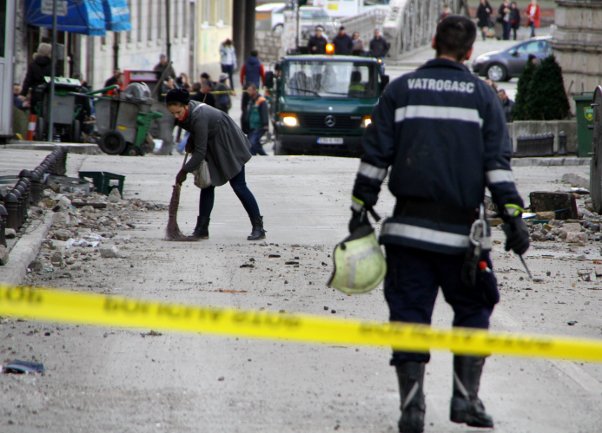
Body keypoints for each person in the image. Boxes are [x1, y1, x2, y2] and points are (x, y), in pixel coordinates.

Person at [348, 15, 529, 433]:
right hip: (462, 239)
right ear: (470, 52)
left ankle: (411, 408)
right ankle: (466, 401)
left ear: (432, 42)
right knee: (474, 307)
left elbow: (375, 157)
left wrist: (360, 208)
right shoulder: (484, 98)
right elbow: (497, 169)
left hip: (407, 232)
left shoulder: (400, 90)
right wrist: (514, 220)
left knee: (409, 314)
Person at [166, 88, 267, 241]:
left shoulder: (199, 116)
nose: (177, 117)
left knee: (239, 185)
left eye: (178, 112)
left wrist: (184, 171)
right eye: (173, 113)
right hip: (213, 143)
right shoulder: (188, 112)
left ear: (185, 106)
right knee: (207, 185)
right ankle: (202, 229)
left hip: (228, 140)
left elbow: (200, 153)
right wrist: (191, 141)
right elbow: (197, 135)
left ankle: (258, 227)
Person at [20, 42, 53, 115]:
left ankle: (33, 126)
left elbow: (27, 80)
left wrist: (23, 93)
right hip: (48, 94)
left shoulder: (33, 65)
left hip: (36, 94)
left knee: (34, 113)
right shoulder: (52, 66)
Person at [244, 83, 269, 156]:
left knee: (252, 142)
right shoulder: (251, 100)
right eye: (247, 90)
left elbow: (264, 113)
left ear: (254, 90)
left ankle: (253, 156)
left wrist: (265, 124)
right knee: (254, 143)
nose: (248, 92)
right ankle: (264, 156)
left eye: (250, 90)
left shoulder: (261, 100)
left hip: (259, 126)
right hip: (252, 126)